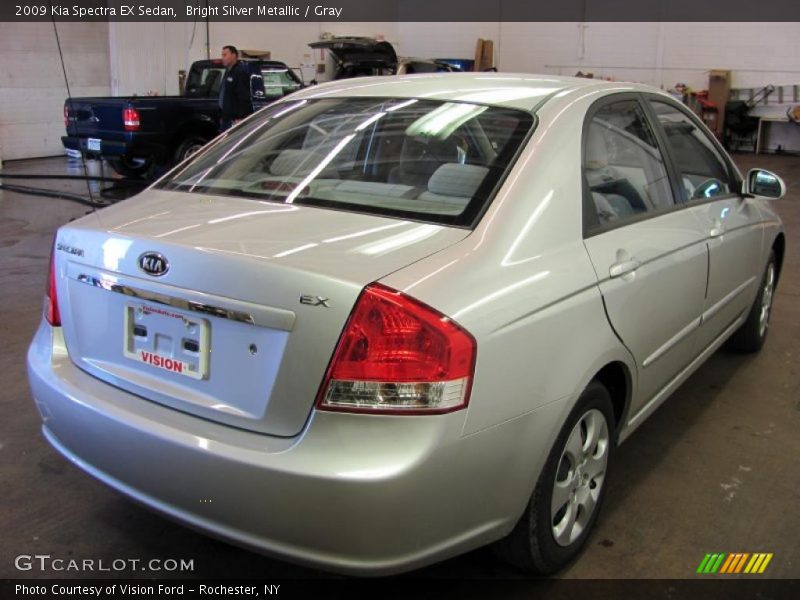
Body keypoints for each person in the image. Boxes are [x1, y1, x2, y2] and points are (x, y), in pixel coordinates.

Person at [218, 45, 253, 132]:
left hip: (235, 120)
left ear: (233, 55)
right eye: (222, 55)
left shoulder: (239, 72)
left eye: (225, 55)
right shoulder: (228, 72)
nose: (222, 58)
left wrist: (240, 118)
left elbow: (244, 97)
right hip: (226, 118)